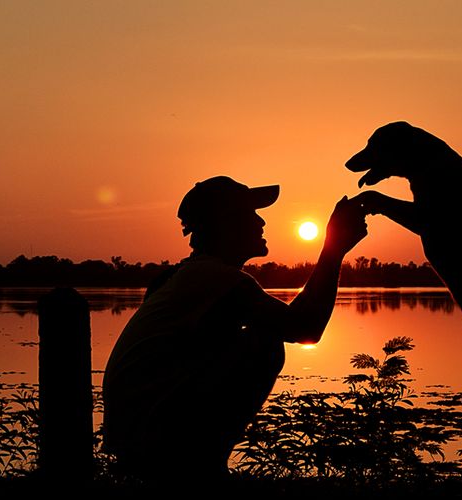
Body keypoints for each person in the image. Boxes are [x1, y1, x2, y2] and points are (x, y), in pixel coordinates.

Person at [102, 176, 367, 487]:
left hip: (134, 440)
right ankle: (205, 468)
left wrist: (331, 249)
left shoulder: (181, 276)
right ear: (226, 225)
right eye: (251, 213)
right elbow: (307, 329)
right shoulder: (217, 279)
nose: (261, 220)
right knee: (266, 342)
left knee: (265, 332)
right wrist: (334, 250)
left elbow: (292, 319)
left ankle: (202, 466)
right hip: (157, 443)